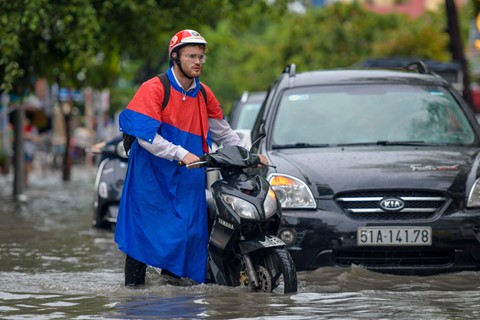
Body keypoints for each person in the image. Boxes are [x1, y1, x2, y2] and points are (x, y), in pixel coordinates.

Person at [114, 29, 267, 286]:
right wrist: (180, 153)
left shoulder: (204, 94)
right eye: (191, 56)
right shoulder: (153, 88)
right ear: (175, 57)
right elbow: (145, 137)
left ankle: (170, 295)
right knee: (141, 239)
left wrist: (248, 155)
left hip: (188, 177)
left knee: (185, 237)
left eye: (201, 57)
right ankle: (135, 299)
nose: (198, 62)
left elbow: (224, 133)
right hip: (150, 178)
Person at [23, 115, 40, 187]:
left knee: (28, 166)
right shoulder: (18, 128)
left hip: (30, 150)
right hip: (21, 151)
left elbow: (37, 140)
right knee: (23, 166)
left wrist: (29, 137)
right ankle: (24, 181)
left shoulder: (33, 129)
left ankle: (26, 181)